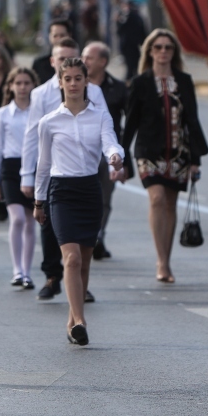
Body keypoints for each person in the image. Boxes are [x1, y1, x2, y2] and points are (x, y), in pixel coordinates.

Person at [33, 58, 125, 346]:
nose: (73, 84)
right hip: (61, 192)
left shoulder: (99, 116)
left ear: (87, 82)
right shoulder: (49, 122)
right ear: (60, 83)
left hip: (89, 189)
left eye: (78, 78)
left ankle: (73, 320)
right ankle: (81, 321)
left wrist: (114, 156)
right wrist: (38, 200)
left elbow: (110, 141)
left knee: (84, 261)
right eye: (67, 79)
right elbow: (43, 164)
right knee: (70, 258)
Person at [20, 38, 109, 301]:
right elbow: (31, 136)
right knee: (49, 225)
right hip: (54, 169)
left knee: (81, 242)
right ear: (53, 63)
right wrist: (28, 175)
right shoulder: (40, 94)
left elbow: (105, 126)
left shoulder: (92, 91)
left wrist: (114, 156)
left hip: (86, 166)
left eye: (72, 59)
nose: (71, 80)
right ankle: (52, 275)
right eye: (61, 60)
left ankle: (79, 284)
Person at [121, 30, 208, 284]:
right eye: (158, 47)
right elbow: (131, 123)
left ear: (174, 52)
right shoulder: (140, 82)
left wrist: (195, 159)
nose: (163, 52)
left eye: (168, 47)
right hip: (149, 152)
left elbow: (192, 119)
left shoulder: (184, 80)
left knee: (170, 204)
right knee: (157, 198)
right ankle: (160, 260)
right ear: (149, 51)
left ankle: (167, 260)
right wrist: (122, 155)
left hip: (179, 153)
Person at [0, 67, 38, 289]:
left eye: (27, 83)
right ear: (10, 86)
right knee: (16, 218)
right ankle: (16, 269)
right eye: (18, 83)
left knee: (30, 220)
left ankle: (26, 271)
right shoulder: (1, 115)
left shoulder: (39, 113)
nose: (22, 87)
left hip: (34, 168)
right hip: (10, 168)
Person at [82, 41, 129, 261]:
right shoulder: (76, 85)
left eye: (89, 58)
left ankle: (98, 236)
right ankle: (83, 237)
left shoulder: (117, 88)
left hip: (108, 152)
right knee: (82, 196)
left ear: (103, 61)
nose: (84, 62)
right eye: (83, 57)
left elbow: (128, 124)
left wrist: (122, 160)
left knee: (104, 199)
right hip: (81, 151)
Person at [31, 19, 72, 85]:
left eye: (62, 35)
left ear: (69, 35)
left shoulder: (78, 61)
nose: (58, 39)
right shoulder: (39, 64)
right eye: (55, 36)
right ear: (49, 36)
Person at [115, 0, 147, 80]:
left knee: (132, 67)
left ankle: (129, 83)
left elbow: (119, 31)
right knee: (133, 66)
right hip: (132, 45)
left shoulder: (127, 16)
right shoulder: (137, 16)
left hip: (129, 45)